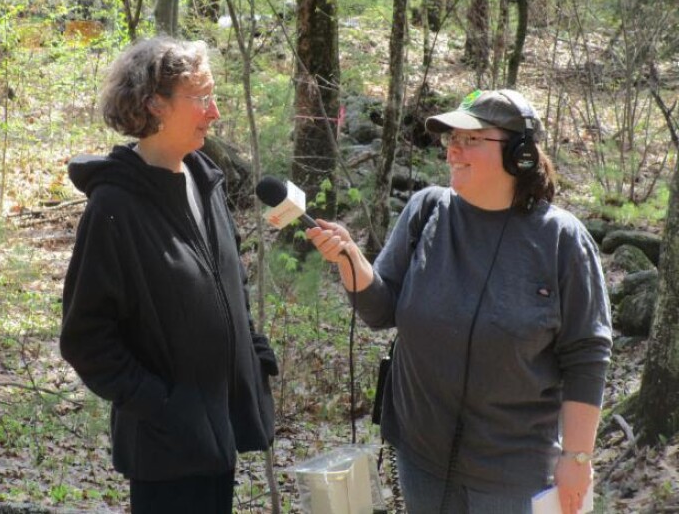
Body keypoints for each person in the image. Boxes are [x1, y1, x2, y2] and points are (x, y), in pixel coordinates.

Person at [306, 89, 612, 514]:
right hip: (421, 459)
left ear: (519, 154)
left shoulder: (562, 240)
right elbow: (381, 310)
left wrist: (577, 458)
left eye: (471, 139)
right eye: (451, 138)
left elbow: (586, 355)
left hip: (514, 474)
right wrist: (352, 261)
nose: (453, 150)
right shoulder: (425, 211)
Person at [60, 36, 277, 513]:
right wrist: (164, 406)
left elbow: (229, 283)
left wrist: (253, 353)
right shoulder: (114, 207)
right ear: (155, 104)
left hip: (219, 430)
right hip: (167, 447)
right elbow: (85, 339)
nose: (215, 111)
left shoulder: (204, 180)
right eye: (201, 98)